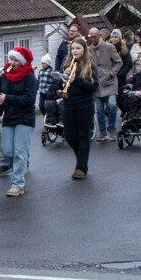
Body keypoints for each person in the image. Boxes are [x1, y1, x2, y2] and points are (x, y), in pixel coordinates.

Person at [0, 47, 38, 197]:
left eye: (15, 60)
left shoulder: (30, 77)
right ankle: (23, 165)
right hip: (9, 117)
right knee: (7, 151)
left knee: (20, 151)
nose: (12, 63)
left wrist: (8, 98)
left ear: (22, 61)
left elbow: (29, 100)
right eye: (11, 59)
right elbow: (0, 97)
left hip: (25, 117)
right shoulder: (5, 76)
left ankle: (17, 184)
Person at [60, 37, 99, 180]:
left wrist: (77, 79)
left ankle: (81, 167)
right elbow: (59, 85)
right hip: (69, 103)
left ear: (84, 50)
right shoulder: (66, 65)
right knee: (69, 135)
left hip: (85, 104)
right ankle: (81, 157)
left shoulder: (90, 66)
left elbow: (93, 87)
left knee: (83, 135)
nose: (75, 51)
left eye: (78, 48)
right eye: (73, 48)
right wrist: (63, 78)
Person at [88, 28, 122, 141]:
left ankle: (111, 129)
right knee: (99, 109)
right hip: (97, 83)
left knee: (112, 105)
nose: (92, 39)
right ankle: (102, 131)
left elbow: (119, 62)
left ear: (99, 36)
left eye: (95, 37)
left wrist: (112, 73)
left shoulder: (109, 47)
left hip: (110, 81)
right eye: (90, 37)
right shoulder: (89, 50)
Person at [37, 54, 60, 127]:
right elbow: (39, 80)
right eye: (42, 63)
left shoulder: (51, 72)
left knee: (48, 105)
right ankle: (45, 116)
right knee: (41, 105)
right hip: (42, 92)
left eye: (45, 63)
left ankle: (50, 117)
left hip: (48, 92)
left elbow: (55, 81)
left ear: (48, 64)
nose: (43, 65)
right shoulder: (40, 72)